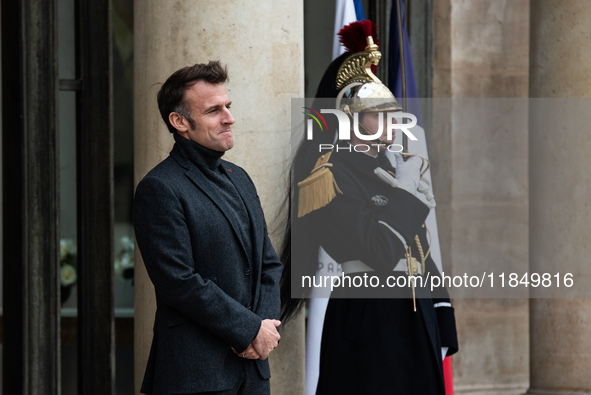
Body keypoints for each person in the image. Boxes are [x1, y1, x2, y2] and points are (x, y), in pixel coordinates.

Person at [281, 21, 458, 394]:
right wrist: (408, 190)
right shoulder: (328, 175)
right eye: (378, 115)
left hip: (414, 313)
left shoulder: (388, 169)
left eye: (392, 114)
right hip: (369, 320)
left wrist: (441, 316)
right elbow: (380, 251)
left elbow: (420, 251)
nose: (391, 125)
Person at [133, 61, 283, 395]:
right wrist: (247, 331)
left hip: (253, 372)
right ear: (180, 122)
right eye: (214, 110)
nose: (229, 118)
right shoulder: (159, 187)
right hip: (196, 376)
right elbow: (179, 281)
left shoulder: (239, 177)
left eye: (228, 106)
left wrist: (263, 329)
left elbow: (269, 264)